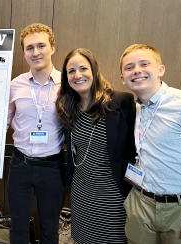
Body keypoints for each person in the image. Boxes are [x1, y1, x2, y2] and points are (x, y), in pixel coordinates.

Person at [56, 48, 136, 244]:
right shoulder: (68, 108)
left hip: (113, 195)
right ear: (66, 78)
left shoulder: (120, 102)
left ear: (94, 71)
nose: (78, 75)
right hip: (81, 193)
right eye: (71, 71)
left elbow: (136, 148)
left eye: (83, 68)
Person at [120, 44, 181, 244]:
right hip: (140, 203)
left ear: (160, 70)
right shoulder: (133, 109)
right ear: (123, 78)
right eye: (129, 67)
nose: (136, 70)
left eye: (144, 64)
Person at [6, 23, 65, 244]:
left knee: (50, 229)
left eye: (41, 46)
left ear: (52, 48)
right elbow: (4, 122)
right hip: (20, 164)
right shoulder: (15, 85)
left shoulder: (67, 85)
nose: (36, 52)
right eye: (30, 48)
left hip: (52, 167)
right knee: (18, 227)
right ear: (24, 53)